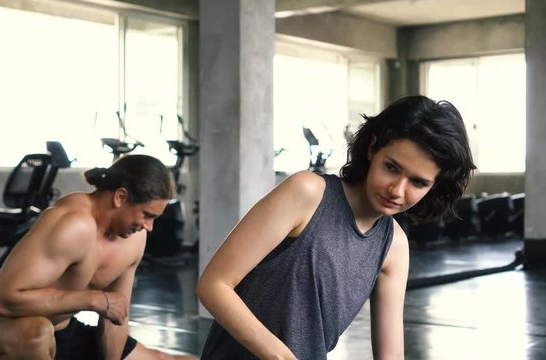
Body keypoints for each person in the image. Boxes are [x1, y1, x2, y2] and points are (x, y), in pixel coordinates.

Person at [196, 95, 476, 359]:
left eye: (418, 182)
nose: (397, 190)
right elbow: (214, 285)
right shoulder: (307, 193)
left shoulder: (393, 247)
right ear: (372, 148)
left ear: (434, 187)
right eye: (391, 167)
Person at [0, 154, 198, 360]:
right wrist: (92, 299)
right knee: (36, 333)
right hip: (10, 340)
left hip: (67, 333)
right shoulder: (72, 223)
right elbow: (3, 301)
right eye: (147, 215)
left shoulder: (134, 239)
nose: (149, 227)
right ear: (120, 197)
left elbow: (116, 315)